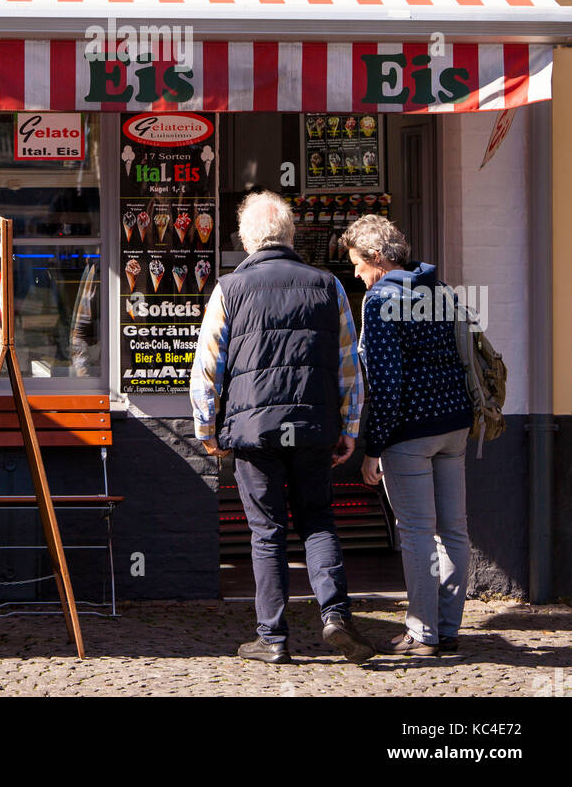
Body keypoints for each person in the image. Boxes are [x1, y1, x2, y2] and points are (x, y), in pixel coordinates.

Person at [190, 190, 374, 666]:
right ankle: (336, 615)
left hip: (254, 431)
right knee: (317, 520)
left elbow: (208, 367)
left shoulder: (230, 289)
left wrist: (207, 430)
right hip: (314, 427)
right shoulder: (328, 285)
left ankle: (271, 637)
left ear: (248, 240)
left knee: (266, 532)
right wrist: (349, 427)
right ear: (291, 236)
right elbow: (348, 364)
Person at [339, 215, 473, 657]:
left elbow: (386, 381)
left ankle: (422, 632)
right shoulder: (439, 290)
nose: (355, 273)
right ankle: (448, 628)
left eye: (358, 264)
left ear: (377, 258)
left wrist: (372, 448)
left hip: (408, 431)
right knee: (452, 530)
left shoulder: (379, 300)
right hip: (454, 423)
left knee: (417, 531)